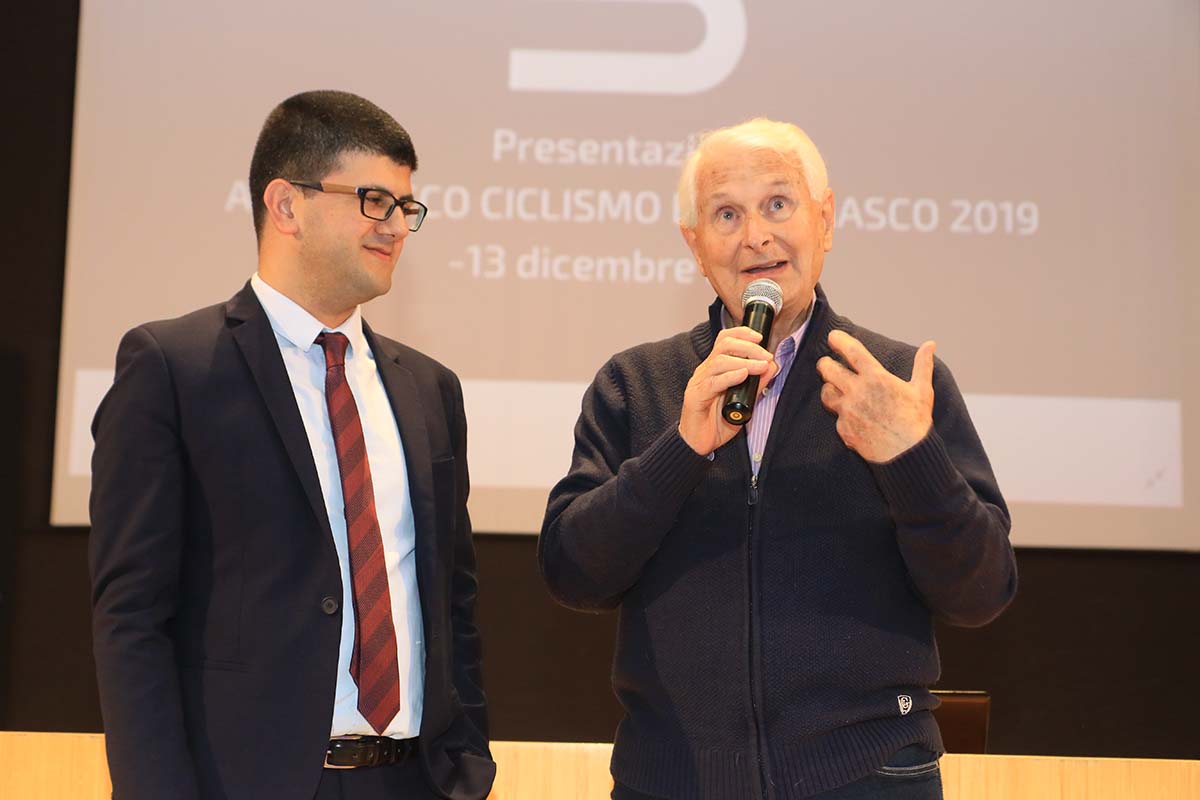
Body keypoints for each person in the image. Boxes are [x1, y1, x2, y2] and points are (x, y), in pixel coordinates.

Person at [538, 118, 1017, 800]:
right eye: (726, 214)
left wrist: (909, 458)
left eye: (778, 204)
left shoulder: (894, 382)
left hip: (868, 778)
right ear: (695, 245)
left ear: (825, 220)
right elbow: (573, 575)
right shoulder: (637, 384)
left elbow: (981, 592)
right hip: (673, 781)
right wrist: (681, 449)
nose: (756, 236)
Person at [89, 90, 494, 800]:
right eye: (374, 200)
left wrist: (467, 764)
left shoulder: (430, 388)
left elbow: (453, 599)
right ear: (285, 205)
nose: (396, 226)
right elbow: (132, 618)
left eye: (406, 207)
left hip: (414, 781)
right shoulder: (173, 369)